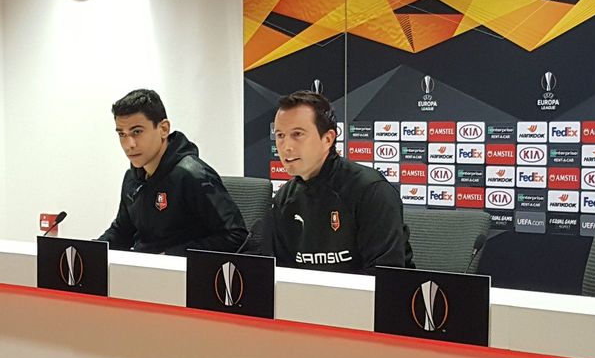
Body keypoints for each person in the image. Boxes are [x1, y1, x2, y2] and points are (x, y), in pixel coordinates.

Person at [265, 90, 414, 274]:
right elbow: (281, 273)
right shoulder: (284, 199)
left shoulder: (371, 191)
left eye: (297, 134)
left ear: (328, 139)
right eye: (280, 135)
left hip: (369, 300)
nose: (286, 146)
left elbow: (385, 276)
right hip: (309, 299)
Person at [98, 89, 247, 256]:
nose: (129, 144)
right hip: (143, 271)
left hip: (182, 275)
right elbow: (121, 232)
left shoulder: (193, 175)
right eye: (122, 134)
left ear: (163, 129)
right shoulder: (133, 178)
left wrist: (172, 257)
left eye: (137, 132)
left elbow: (236, 236)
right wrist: (89, 252)